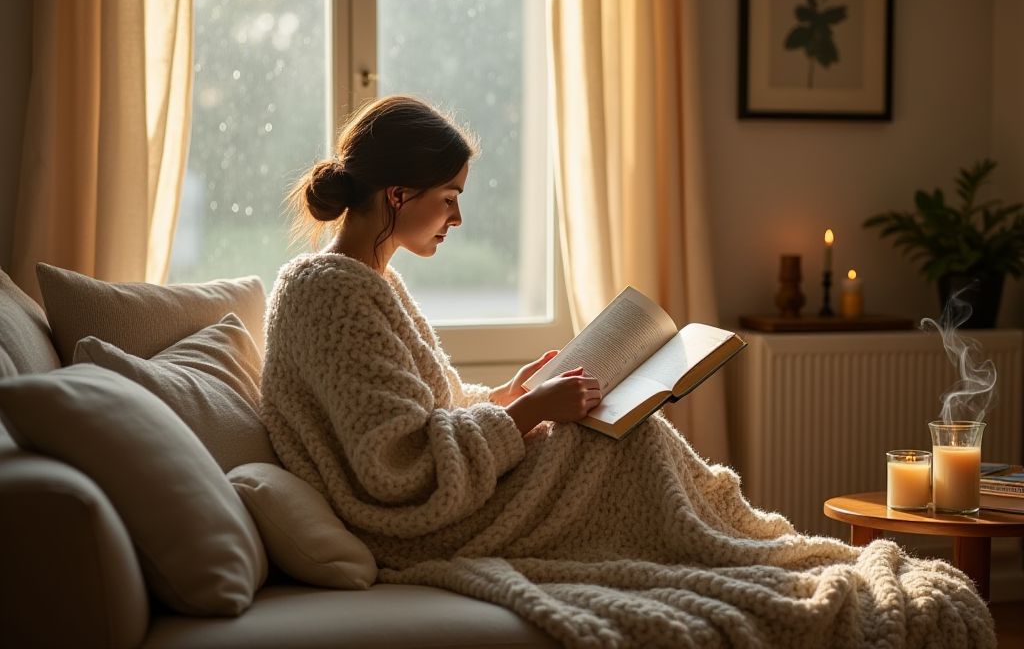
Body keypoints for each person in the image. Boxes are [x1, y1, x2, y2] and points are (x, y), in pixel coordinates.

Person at [261, 95, 994, 649]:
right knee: (618, 440)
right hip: (418, 526)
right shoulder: (329, 291)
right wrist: (529, 413)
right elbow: (396, 466)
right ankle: (755, 557)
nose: (456, 220)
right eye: (448, 200)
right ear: (398, 195)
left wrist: (513, 393)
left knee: (620, 427)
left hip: (459, 490)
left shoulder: (369, 281)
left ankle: (749, 549)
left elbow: (431, 413)